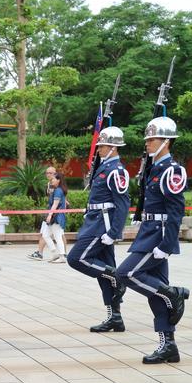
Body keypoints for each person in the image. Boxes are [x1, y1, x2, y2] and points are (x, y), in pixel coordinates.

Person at [111, 117, 190, 364]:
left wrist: (166, 245)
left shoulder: (172, 170)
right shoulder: (154, 168)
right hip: (149, 230)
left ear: (166, 142)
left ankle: (174, 294)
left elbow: (176, 211)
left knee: (126, 273)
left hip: (159, 235)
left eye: (152, 139)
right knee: (156, 293)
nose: (147, 143)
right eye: (147, 139)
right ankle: (168, 346)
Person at [66, 127, 131, 331]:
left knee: (76, 258)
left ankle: (117, 276)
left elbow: (123, 204)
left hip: (102, 225)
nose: (99, 148)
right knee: (104, 274)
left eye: (103, 145)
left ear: (113, 148)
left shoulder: (116, 170)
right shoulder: (104, 167)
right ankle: (115, 317)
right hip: (95, 221)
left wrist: (114, 233)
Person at [28, 166, 56, 260]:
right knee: (49, 233)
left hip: (55, 212)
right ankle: (41, 252)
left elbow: (60, 198)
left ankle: (61, 254)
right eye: (47, 173)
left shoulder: (56, 184)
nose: (48, 175)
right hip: (50, 210)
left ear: (55, 173)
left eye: (50, 173)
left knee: (57, 234)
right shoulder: (48, 184)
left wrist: (51, 213)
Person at [42, 172, 68, 263]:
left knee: (58, 236)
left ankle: (62, 256)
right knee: (45, 235)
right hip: (55, 216)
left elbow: (55, 204)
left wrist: (49, 215)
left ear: (58, 180)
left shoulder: (58, 191)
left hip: (57, 217)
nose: (51, 180)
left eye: (53, 179)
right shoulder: (57, 190)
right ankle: (55, 254)